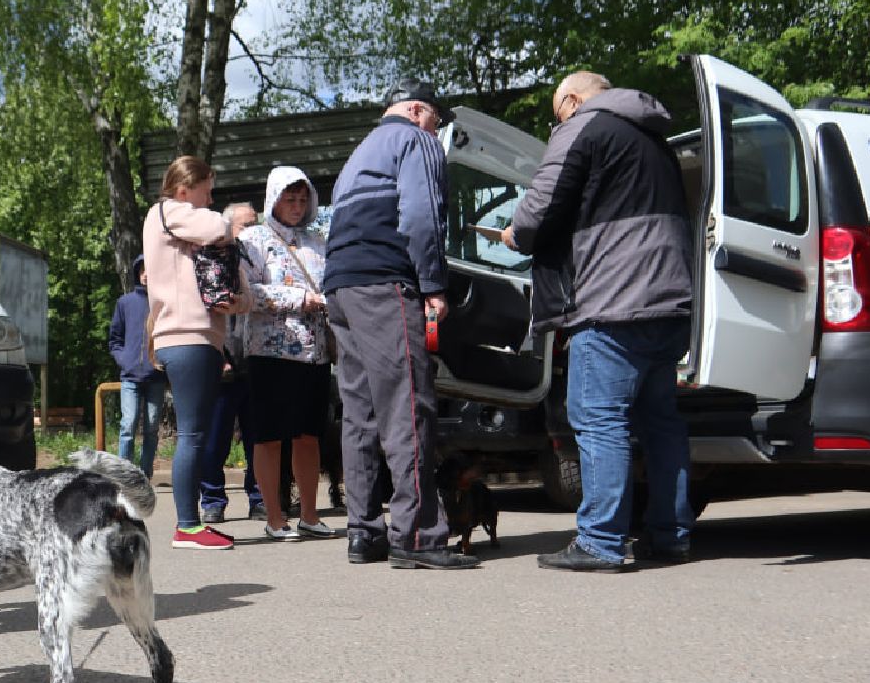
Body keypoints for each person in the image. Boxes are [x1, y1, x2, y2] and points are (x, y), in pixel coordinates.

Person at [500, 71, 695, 571]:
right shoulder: (655, 139)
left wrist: (515, 235)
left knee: (599, 419)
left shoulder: (583, 126)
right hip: (670, 299)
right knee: (661, 424)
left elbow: (537, 213)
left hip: (612, 301)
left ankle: (601, 541)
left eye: (554, 113)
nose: (555, 123)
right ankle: (670, 535)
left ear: (570, 99)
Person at [323, 79, 478, 569]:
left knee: (360, 413)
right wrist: (433, 285)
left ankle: (363, 532)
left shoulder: (359, 153)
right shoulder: (416, 141)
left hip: (342, 288)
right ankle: (417, 536)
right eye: (438, 119)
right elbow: (420, 215)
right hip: (384, 283)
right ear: (417, 110)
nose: (440, 130)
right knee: (408, 404)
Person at [142, 155, 250, 551]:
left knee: (196, 433)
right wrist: (230, 220)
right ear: (185, 188)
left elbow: (242, 294)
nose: (209, 199)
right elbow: (218, 225)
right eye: (207, 190)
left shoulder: (182, 227)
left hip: (198, 338)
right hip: (184, 336)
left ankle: (191, 524)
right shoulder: (167, 211)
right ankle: (187, 526)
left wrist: (235, 302)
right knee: (191, 434)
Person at [239, 168, 334, 541]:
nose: (296, 207)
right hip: (270, 353)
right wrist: (300, 299)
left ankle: (310, 515)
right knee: (268, 437)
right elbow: (249, 294)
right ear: (273, 199)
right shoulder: (253, 239)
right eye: (289, 199)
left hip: (315, 354)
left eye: (302, 200)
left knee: (309, 435)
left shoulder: (318, 242)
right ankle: (275, 518)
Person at [198, 202, 264, 525]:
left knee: (258, 440)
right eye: (245, 225)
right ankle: (212, 499)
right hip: (223, 368)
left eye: (255, 224)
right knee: (215, 441)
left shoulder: (259, 257)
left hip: (256, 362)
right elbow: (205, 312)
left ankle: (260, 498)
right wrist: (219, 356)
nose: (252, 231)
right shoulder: (212, 259)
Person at [107, 254, 167, 479]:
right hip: (130, 377)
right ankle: (123, 476)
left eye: (150, 270)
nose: (146, 275)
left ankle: (144, 475)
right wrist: (125, 360)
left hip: (156, 377)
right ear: (137, 274)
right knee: (127, 426)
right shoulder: (125, 303)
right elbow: (114, 340)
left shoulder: (162, 305)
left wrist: (162, 363)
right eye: (142, 270)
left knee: (151, 428)